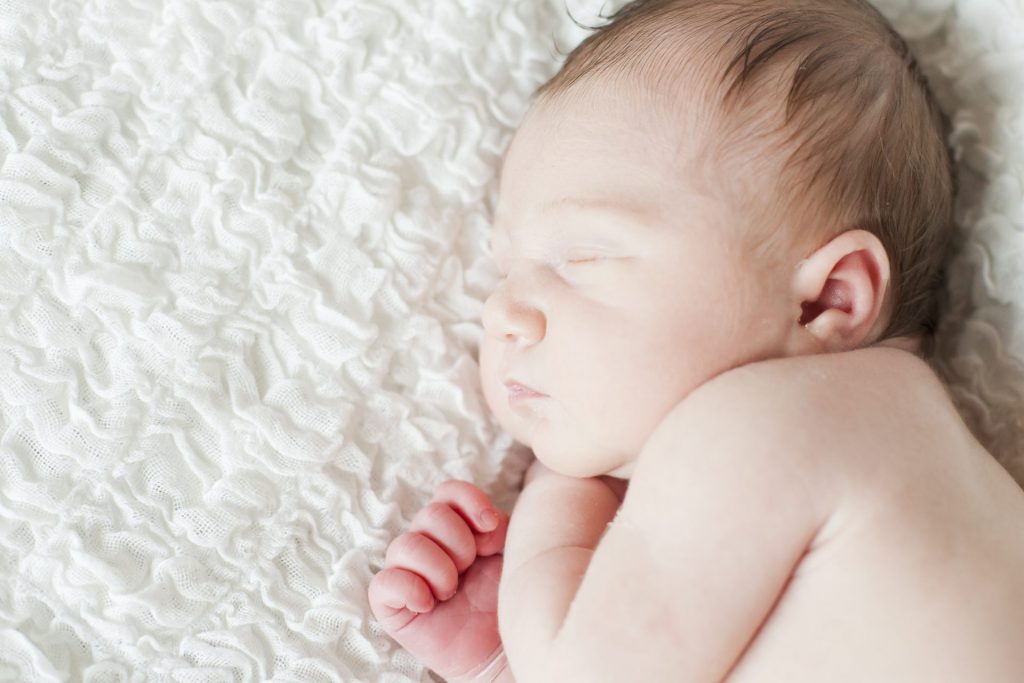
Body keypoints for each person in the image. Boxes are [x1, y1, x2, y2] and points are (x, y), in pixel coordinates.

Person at [368, 0, 1024, 680]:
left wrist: (556, 496)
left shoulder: (763, 422)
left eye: (583, 258)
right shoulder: (902, 440)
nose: (503, 311)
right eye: (508, 269)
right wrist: (499, 657)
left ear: (827, 300)